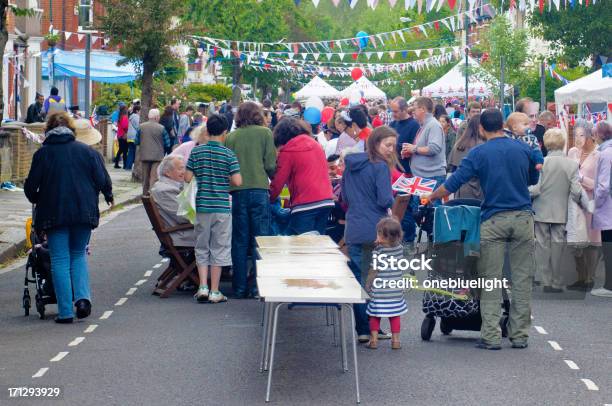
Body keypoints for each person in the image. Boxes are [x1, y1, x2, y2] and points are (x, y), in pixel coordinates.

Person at [425, 108, 539, 350]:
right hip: (523, 218)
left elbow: (454, 182)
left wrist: (431, 196)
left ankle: (491, 336)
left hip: (493, 219)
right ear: (502, 125)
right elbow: (532, 179)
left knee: (490, 280)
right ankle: (519, 336)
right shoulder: (523, 149)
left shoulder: (478, 153)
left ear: (480, 128)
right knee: (521, 279)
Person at [24, 112, 113, 323]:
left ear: (48, 130)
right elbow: (102, 178)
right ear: (72, 130)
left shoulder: (43, 154)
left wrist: (38, 198)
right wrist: (108, 195)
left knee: (60, 259)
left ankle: (65, 312)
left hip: (54, 214)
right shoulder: (86, 151)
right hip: (84, 212)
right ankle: (82, 300)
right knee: (78, 254)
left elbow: (30, 187)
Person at [341, 126, 396, 343]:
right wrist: (391, 202)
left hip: (354, 228)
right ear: (375, 143)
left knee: (359, 282)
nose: (391, 149)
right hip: (375, 229)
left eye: (393, 145)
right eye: (388, 145)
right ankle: (372, 328)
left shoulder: (350, 165)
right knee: (374, 283)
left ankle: (363, 329)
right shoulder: (380, 167)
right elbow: (384, 199)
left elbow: (344, 196)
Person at [186, 114, 242, 303]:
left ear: (207, 131)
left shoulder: (196, 152)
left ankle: (202, 286)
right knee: (219, 247)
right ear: (225, 132)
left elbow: (186, 178)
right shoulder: (229, 154)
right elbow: (237, 181)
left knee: (202, 246)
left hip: (202, 206)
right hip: (221, 207)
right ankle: (215, 290)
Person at [225, 102, 277, 298]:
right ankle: (258, 287)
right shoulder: (265, 133)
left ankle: (238, 287)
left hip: (238, 191)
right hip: (259, 189)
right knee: (260, 240)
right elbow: (271, 164)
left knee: (239, 240)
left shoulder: (231, 137)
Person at [529, 129, 582, 293]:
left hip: (541, 209)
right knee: (558, 243)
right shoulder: (572, 164)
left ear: (545, 143)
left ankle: (545, 279)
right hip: (561, 210)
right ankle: (557, 279)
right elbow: (577, 191)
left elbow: (535, 189)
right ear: (563, 143)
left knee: (542, 244)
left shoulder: (541, 163)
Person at [269, 118, 334, 235]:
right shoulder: (316, 144)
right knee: (319, 244)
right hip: (326, 201)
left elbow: (278, 182)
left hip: (304, 204)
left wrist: (269, 199)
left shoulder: (288, 151)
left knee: (302, 246)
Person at [566, 120, 601, 291]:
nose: (577, 138)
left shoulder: (599, 154)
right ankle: (580, 276)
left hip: (592, 204)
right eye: (575, 135)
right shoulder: (572, 152)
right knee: (575, 242)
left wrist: (581, 179)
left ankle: (589, 278)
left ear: (590, 136)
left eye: (580, 135)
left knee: (592, 242)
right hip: (573, 203)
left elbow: (601, 184)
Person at [364, 217, 407, 350]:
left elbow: (373, 270)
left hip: (380, 290)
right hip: (395, 290)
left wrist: (368, 284)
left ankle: (374, 340)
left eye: (378, 233)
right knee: (394, 315)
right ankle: (395, 341)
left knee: (375, 315)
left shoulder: (378, 251)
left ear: (384, 236)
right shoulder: (400, 249)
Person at [401, 97, 447, 197]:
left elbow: (434, 148)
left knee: (429, 210)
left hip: (431, 176)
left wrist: (414, 149)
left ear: (422, 109)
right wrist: (411, 151)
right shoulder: (425, 125)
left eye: (415, 108)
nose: (412, 111)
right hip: (424, 176)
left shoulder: (433, 125)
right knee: (421, 209)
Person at [389, 96, 420, 244]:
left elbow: (415, 147)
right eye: (392, 111)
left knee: (405, 210)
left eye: (395, 111)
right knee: (395, 209)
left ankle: (408, 240)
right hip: (394, 172)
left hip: (408, 172)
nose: (393, 114)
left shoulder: (414, 125)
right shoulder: (392, 124)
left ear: (404, 110)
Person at [150, 155, 196, 249]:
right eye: (180, 169)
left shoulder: (165, 186)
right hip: (182, 235)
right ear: (168, 173)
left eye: (184, 168)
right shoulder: (165, 190)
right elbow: (184, 217)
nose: (184, 172)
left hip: (181, 231)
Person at [591, 121, 612, 298]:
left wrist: (595, 203)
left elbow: (603, 186)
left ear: (599, 135)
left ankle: (609, 285)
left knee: (608, 245)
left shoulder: (605, 154)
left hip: (608, 207)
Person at [447, 114, 484, 200]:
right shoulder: (483, 145)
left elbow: (453, 168)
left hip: (461, 189)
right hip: (480, 189)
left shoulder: (460, 144)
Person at [135, 108, 170, 195]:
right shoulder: (161, 128)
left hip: (144, 155)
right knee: (154, 177)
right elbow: (167, 143)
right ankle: (152, 195)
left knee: (145, 177)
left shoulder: (141, 127)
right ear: (156, 117)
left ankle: (145, 194)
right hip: (158, 156)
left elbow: (136, 141)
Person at [113, 105, 129, 169]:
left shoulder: (120, 116)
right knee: (125, 151)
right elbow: (125, 126)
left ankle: (116, 163)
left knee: (121, 150)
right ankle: (125, 165)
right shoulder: (124, 117)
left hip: (119, 135)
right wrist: (127, 131)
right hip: (123, 136)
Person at [125, 105, 140, 170]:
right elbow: (137, 126)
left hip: (130, 136)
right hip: (134, 136)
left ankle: (128, 166)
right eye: (140, 111)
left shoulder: (131, 116)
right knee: (133, 152)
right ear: (137, 111)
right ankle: (129, 166)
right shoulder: (136, 117)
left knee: (131, 152)